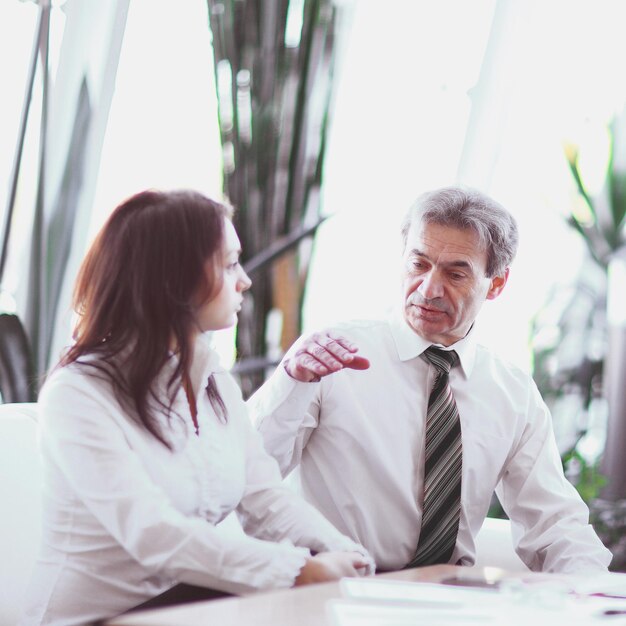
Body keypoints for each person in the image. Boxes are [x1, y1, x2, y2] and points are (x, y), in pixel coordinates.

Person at [21, 189, 374, 626]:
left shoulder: (214, 384)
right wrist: (299, 569)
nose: (244, 280)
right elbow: (152, 533)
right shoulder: (77, 394)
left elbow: (265, 498)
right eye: (228, 264)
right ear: (174, 278)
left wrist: (342, 551)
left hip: (185, 610)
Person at [249, 185, 613, 574]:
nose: (429, 289)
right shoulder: (329, 356)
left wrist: (597, 596)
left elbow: (555, 524)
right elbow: (246, 469)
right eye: (418, 264)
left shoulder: (513, 393)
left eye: (456, 273)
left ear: (497, 284)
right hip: (337, 588)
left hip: (448, 600)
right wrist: (288, 383)